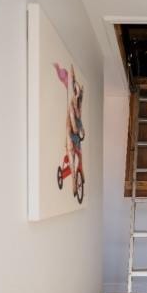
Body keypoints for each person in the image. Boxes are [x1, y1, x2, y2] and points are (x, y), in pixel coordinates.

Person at [66, 65, 85, 196]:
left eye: (79, 92)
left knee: (80, 156)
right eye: (76, 91)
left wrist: (82, 130)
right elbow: (72, 120)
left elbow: (79, 121)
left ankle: (81, 174)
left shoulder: (78, 104)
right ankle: (73, 185)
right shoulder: (72, 105)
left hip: (77, 134)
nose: (77, 93)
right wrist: (77, 130)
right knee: (72, 159)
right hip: (71, 134)